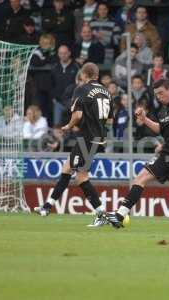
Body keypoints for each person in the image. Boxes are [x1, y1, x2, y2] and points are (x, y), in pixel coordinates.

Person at [104, 78, 169, 230]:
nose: (159, 97)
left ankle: (119, 215)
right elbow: (161, 130)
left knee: (140, 178)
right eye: (156, 94)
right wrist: (145, 119)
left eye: (161, 93)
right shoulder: (162, 111)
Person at [34, 63, 114, 227]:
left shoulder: (82, 89)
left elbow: (77, 115)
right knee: (67, 168)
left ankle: (102, 214)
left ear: (84, 75)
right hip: (98, 138)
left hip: (87, 138)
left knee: (81, 177)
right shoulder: (106, 92)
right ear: (97, 76)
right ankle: (47, 206)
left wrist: (68, 126)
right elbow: (110, 120)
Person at [51, 45, 80, 126]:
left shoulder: (76, 67)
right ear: (58, 54)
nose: (63, 55)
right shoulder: (55, 67)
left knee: (74, 127)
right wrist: (54, 98)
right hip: (58, 102)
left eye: (65, 53)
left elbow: (80, 84)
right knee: (57, 126)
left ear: (69, 53)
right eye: (61, 53)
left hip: (72, 103)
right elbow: (51, 84)